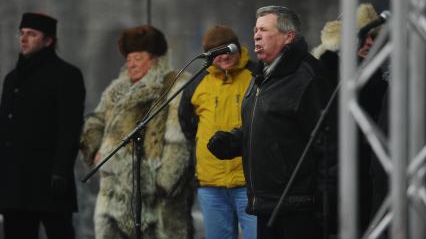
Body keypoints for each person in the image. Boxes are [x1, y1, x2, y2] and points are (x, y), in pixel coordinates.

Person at [207, 6, 336, 239]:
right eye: (255, 29)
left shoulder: (307, 76)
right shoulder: (261, 76)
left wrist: (325, 205)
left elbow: (329, 144)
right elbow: (266, 127)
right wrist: (234, 141)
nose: (256, 35)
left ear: (289, 36)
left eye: (265, 30)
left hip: (300, 208)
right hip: (266, 203)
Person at [80, 25, 194, 239]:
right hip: (113, 193)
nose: (131, 64)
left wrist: (162, 184)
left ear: (154, 60)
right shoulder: (117, 89)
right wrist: (93, 148)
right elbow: (95, 120)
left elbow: (178, 142)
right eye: (129, 58)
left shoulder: (173, 86)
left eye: (138, 58)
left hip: (154, 197)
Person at [0, 12, 86, 239]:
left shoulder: (67, 75)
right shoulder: (12, 79)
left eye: (31, 34)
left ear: (48, 40)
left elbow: (70, 127)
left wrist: (61, 170)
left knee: (59, 233)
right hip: (15, 182)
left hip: (49, 181)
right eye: (22, 33)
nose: (23, 39)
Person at [312, 3, 389, 235]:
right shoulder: (322, 72)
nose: (370, 43)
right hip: (328, 182)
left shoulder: (378, 77)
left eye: (374, 38)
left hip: (365, 180)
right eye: (364, 36)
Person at [178, 25, 257, 239]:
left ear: (237, 48)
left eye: (227, 51)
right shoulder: (196, 83)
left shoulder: (257, 75)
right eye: (216, 53)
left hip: (250, 183)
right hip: (210, 185)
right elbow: (187, 123)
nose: (223, 57)